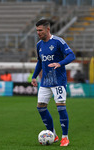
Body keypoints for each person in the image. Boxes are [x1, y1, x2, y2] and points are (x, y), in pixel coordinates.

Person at [31, 19, 75, 147]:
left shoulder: (58, 41)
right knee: (40, 107)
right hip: (45, 82)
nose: (38, 33)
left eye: (40, 30)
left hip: (59, 81)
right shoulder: (39, 45)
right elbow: (40, 62)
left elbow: (71, 55)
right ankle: (53, 134)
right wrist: (34, 76)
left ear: (48, 29)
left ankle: (65, 137)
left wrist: (59, 63)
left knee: (60, 107)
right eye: (37, 30)